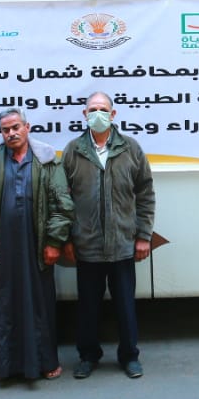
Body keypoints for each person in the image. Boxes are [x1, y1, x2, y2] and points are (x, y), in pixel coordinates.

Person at [0, 107, 73, 380]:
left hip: (38, 246)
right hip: (4, 247)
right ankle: (7, 365)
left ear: (27, 128)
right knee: (7, 304)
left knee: (41, 303)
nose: (11, 133)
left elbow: (62, 204)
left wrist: (54, 241)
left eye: (16, 127)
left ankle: (46, 362)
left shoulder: (46, 158)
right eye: (6, 130)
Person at [61, 92, 156, 379]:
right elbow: (62, 199)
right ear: (84, 114)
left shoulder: (130, 148)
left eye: (103, 109)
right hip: (87, 245)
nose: (98, 114)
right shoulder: (73, 151)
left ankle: (129, 356)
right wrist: (66, 239)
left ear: (113, 115)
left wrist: (144, 236)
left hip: (123, 244)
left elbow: (145, 194)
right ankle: (88, 356)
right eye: (92, 109)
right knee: (88, 307)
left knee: (125, 306)